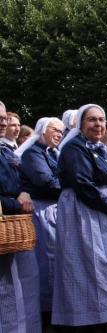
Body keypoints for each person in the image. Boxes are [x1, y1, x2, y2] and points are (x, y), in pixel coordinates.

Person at [52, 104, 107, 329]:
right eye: (92, 120)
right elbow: (82, 184)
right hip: (84, 212)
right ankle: (91, 318)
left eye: (101, 120)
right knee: (92, 264)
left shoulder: (102, 149)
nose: (98, 124)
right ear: (81, 123)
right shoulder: (74, 148)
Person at [0, 101, 42, 333]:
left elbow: (20, 181)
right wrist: (13, 201)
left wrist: (23, 192)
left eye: (4, 117)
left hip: (12, 228)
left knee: (19, 285)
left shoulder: (5, 151)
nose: (3, 122)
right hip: (6, 220)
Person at [18, 117, 64, 325]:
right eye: (55, 130)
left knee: (56, 258)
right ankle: (47, 309)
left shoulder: (52, 153)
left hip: (54, 208)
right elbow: (45, 181)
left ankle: (56, 305)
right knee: (47, 260)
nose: (59, 134)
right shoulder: (33, 153)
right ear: (43, 131)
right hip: (42, 210)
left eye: (61, 132)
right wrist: (72, 184)